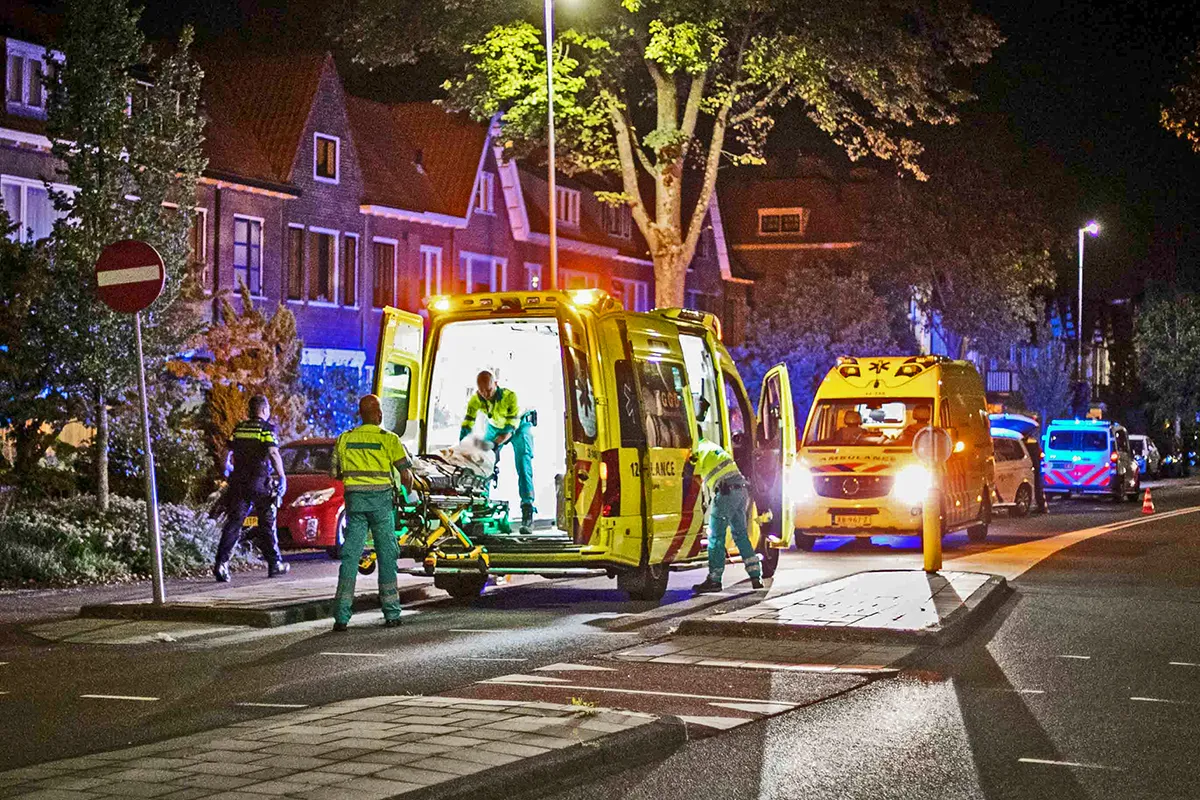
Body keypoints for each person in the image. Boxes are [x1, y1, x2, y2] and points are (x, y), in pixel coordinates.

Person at [330, 394, 415, 631]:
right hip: (381, 506)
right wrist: (406, 493)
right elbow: (406, 474)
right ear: (379, 415)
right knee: (387, 556)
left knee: (350, 557)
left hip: (355, 505)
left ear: (360, 414)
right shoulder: (389, 439)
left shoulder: (344, 439)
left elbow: (335, 472)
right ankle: (391, 613)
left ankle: (341, 617)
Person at [214, 394, 290, 582]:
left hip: (238, 482)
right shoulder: (266, 429)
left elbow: (226, 451)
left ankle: (221, 564)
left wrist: (226, 469)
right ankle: (275, 563)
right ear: (264, 410)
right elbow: (273, 452)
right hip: (259, 482)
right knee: (267, 521)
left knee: (234, 523)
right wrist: (282, 476)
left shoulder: (239, 429)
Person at [460, 370, 536, 533]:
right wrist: (463, 447)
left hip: (518, 426)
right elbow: (467, 425)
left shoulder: (510, 397)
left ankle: (527, 510)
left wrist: (493, 446)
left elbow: (509, 430)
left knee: (523, 465)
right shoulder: (476, 399)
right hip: (495, 426)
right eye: (482, 391)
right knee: (482, 462)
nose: (486, 394)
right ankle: (481, 505)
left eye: (489, 390)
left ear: (495, 384)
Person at [691, 435, 763, 594]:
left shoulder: (697, 450)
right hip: (740, 490)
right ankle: (755, 575)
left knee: (715, 536)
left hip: (725, 492)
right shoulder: (712, 447)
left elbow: (690, 472)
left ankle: (714, 579)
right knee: (740, 535)